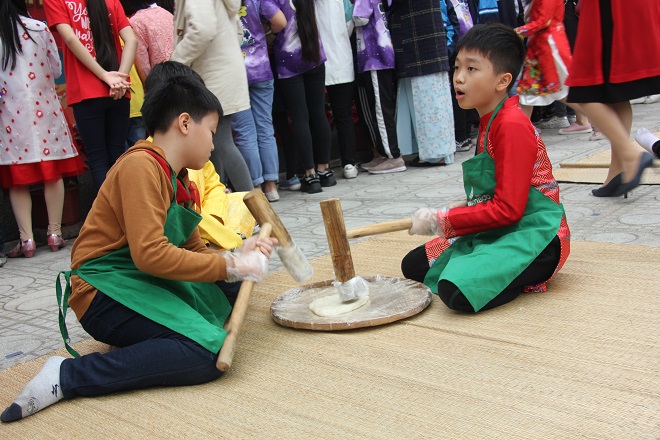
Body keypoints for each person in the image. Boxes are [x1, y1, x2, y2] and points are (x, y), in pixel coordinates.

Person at [1, 69, 278, 423]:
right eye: (210, 132)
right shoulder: (140, 167)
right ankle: (68, 376)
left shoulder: (175, 177)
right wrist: (230, 264)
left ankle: (150, 339)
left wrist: (236, 257)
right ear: (183, 123)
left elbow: (194, 253)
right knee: (206, 354)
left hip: (137, 276)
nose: (213, 144)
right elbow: (150, 255)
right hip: (104, 292)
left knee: (229, 291)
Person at [401, 23, 570, 313]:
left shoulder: (512, 125)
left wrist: (442, 220)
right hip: (502, 227)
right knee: (414, 265)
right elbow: (494, 193)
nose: (459, 78)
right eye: (456, 68)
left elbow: (509, 209)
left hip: (536, 234)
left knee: (455, 293)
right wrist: (459, 208)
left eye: (471, 69)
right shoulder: (489, 122)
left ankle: (519, 273)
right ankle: (487, 264)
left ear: (502, 81)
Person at [1, 0, 86, 258]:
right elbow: (56, 68)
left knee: (17, 180)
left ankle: (26, 240)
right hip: (45, 109)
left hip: (10, 115)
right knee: (53, 173)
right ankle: (54, 233)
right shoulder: (39, 27)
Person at [566, 0, 660, 198]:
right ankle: (617, 171)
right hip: (629, 9)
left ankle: (631, 156)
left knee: (583, 89)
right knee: (615, 92)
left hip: (608, 8)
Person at [43, 0, 137, 192]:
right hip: (119, 92)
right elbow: (131, 40)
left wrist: (105, 76)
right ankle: (125, 213)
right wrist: (121, 77)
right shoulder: (112, 1)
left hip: (86, 94)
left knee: (98, 159)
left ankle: (109, 217)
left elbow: (70, 39)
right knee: (117, 154)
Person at [171, 0, 254, 192]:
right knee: (214, 142)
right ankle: (223, 205)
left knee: (221, 142)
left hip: (211, 74)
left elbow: (203, 30)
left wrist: (176, 61)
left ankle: (256, 210)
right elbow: (238, 31)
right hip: (223, 71)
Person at [263, 0, 335, 194]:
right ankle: (324, 170)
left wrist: (269, 33)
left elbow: (278, 22)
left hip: (289, 62)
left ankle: (310, 175)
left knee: (300, 118)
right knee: (318, 114)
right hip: (314, 54)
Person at [389, 0, 456, 167]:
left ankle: (435, 154)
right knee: (434, 98)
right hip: (427, 37)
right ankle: (437, 152)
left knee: (426, 99)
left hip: (418, 38)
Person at [231, 0, 285, 202]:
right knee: (265, 127)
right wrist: (266, 34)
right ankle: (272, 186)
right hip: (261, 68)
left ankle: (256, 187)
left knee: (244, 133)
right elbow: (280, 21)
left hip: (234, 74)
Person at [353, 0, 406, 174]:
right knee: (382, 106)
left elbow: (359, 17)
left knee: (381, 109)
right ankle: (385, 154)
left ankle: (393, 156)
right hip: (380, 53)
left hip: (374, 57)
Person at [317, 0, 359, 180]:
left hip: (315, 61)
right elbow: (350, 25)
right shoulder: (343, 2)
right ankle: (349, 163)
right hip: (341, 58)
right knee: (344, 116)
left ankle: (320, 166)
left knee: (317, 115)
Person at [119, 0, 174, 83]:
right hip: (182, 73)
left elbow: (143, 66)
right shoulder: (166, 13)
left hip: (162, 83)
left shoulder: (135, 22)